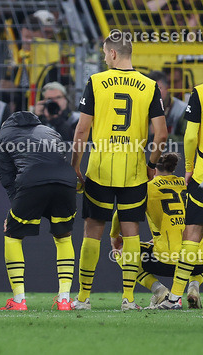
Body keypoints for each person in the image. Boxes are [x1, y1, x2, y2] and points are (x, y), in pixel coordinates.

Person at [71, 31, 167, 310]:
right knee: (131, 232)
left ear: (112, 53)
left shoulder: (96, 81)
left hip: (100, 168)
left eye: (104, 53)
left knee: (92, 232)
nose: (104, 57)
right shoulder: (150, 85)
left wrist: (76, 166)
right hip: (134, 170)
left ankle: (83, 299)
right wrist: (151, 165)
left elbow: (82, 129)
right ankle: (128, 299)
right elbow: (161, 135)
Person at [0, 110, 78, 311]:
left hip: (32, 181)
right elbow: (60, 159)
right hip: (66, 181)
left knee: (13, 235)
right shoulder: (50, 131)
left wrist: (14, 207)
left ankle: (19, 300)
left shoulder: (3, 136)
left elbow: (7, 176)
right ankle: (65, 299)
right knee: (64, 236)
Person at [111, 153, 202, 309]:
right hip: (197, 261)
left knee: (123, 251)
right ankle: (194, 285)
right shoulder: (187, 184)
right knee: (195, 249)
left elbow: (122, 213)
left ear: (152, 168)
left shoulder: (147, 188)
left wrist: (114, 236)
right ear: (173, 168)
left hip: (165, 261)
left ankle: (159, 290)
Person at [160, 78, 203, 308]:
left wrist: (188, 168)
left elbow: (190, 136)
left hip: (202, 176)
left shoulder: (200, 93)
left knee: (193, 234)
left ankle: (175, 297)